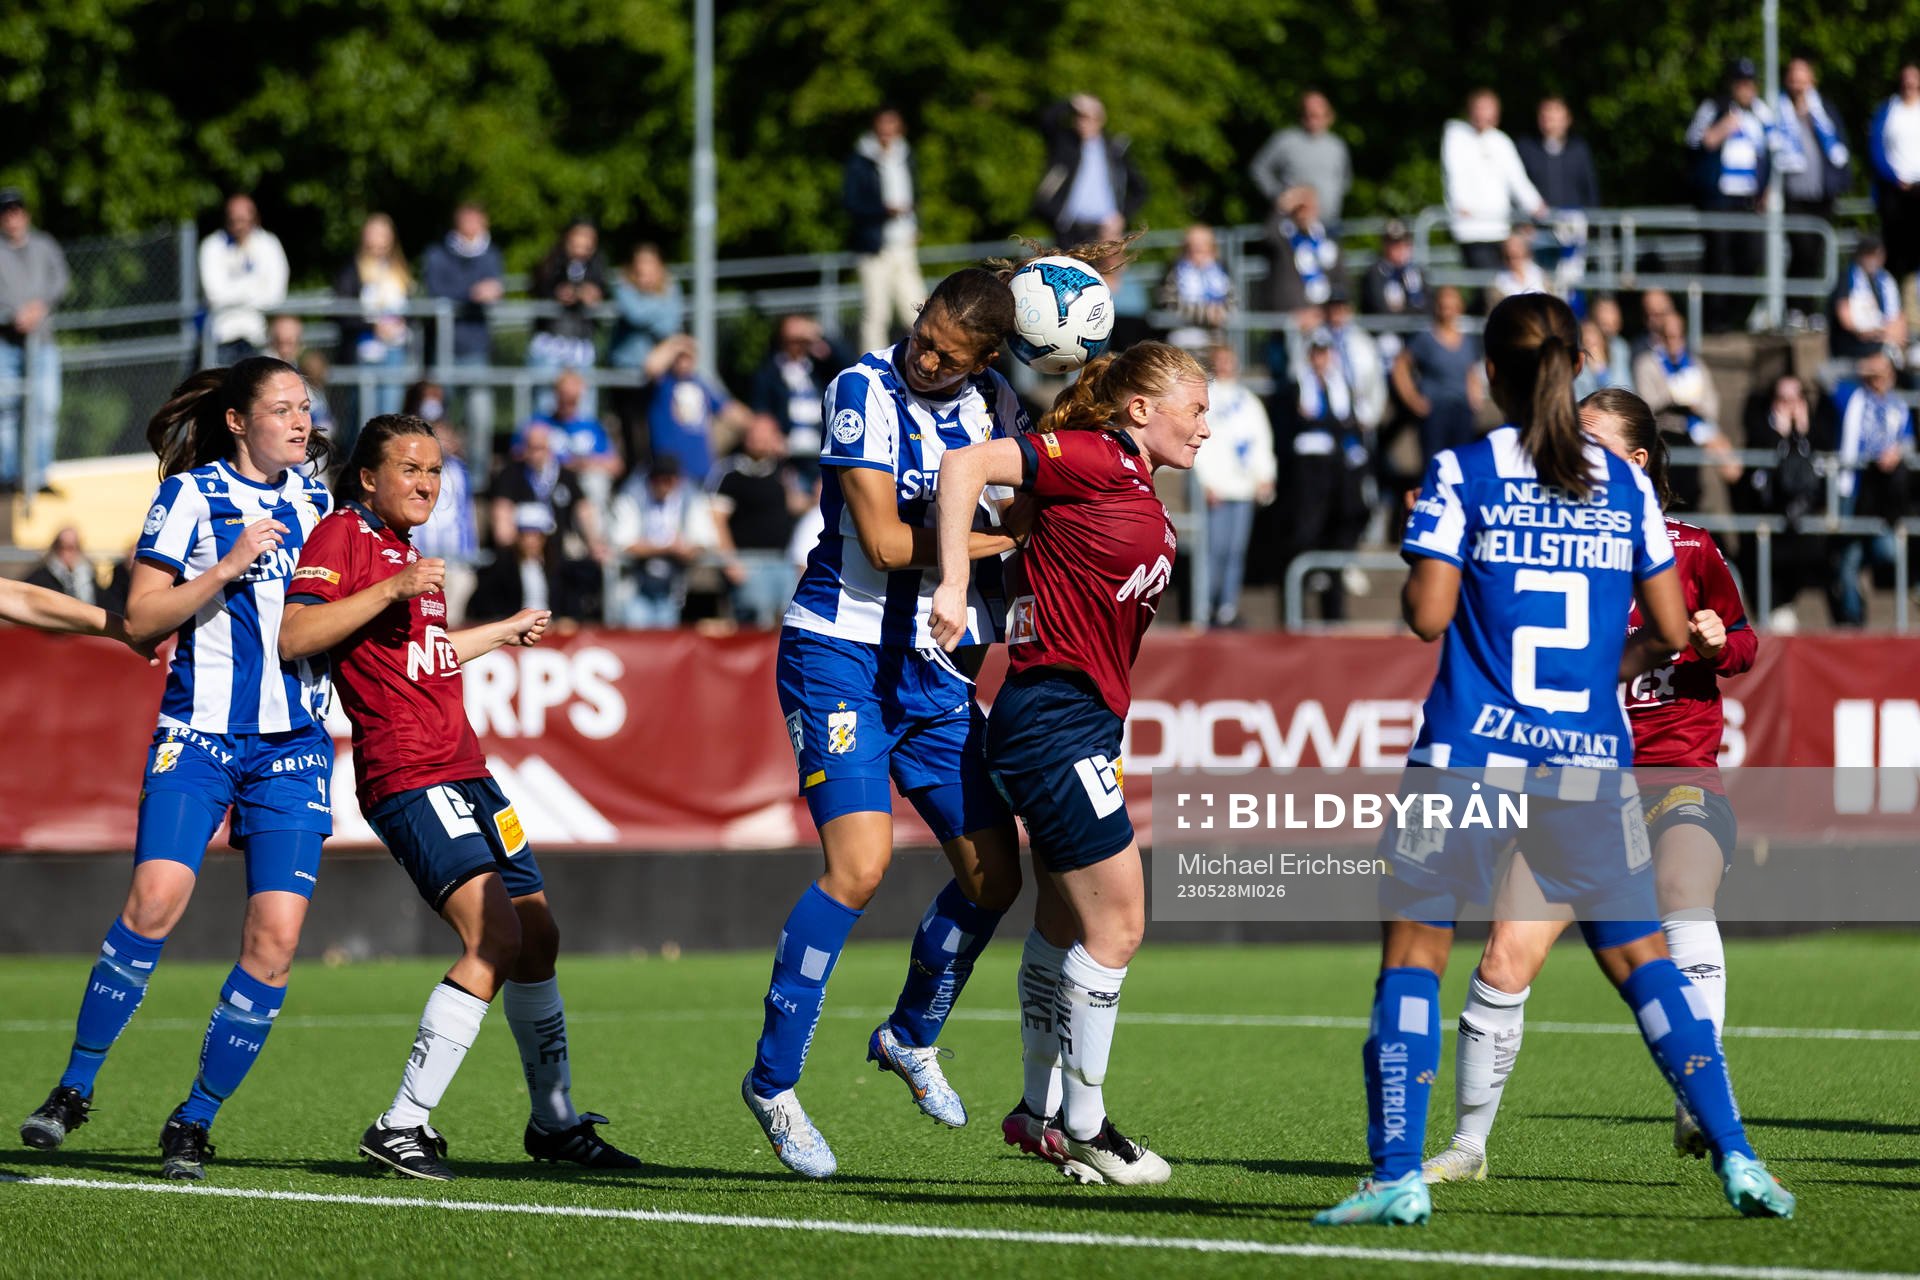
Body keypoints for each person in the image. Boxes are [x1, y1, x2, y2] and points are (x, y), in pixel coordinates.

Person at [1311, 293, 1794, 1228]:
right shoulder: (1624, 491)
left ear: (1489, 374)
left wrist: (1431, 542)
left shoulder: (1463, 471)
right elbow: (1664, 634)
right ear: (1575, 370)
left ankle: (1396, 1174)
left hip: (1467, 750)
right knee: (1644, 961)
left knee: (1413, 955)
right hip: (1584, 756)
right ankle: (1738, 1156)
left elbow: (1427, 617)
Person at [279, 414, 638, 1180]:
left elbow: (426, 656)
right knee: (495, 938)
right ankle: (400, 1124)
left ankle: (555, 1122)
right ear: (367, 478)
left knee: (538, 937)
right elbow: (298, 635)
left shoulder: (405, 554)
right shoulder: (344, 535)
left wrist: (501, 632)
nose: (426, 483)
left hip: (466, 769)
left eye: (436, 471)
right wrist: (394, 588)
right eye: (409, 468)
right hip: (409, 772)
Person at [1423, 387, 1759, 1183]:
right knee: (1506, 955)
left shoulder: (1691, 548)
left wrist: (1716, 641)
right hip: (1575, 781)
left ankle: (1696, 1097)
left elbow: (1742, 644)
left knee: (1682, 890)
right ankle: (1468, 1146)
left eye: (1596, 444)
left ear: (1638, 463)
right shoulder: (1540, 539)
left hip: (1674, 772)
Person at [17, 358, 335, 1181]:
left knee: (277, 941)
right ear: (237, 420)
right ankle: (74, 1088)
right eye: (283, 409)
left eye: (306, 408)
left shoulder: (319, 502)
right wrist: (226, 567)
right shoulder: (190, 495)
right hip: (197, 734)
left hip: (293, 748)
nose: (301, 422)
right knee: (154, 901)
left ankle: (193, 1120)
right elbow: (141, 619)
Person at [743, 267, 1028, 1179]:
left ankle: (910, 1034)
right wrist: (1008, 542)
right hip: (838, 654)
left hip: (935, 665)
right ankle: (774, 1084)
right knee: (859, 867)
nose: (924, 350)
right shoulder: (861, 388)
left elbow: (1029, 497)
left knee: (993, 876)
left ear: (985, 358)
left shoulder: (993, 404)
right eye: (922, 329)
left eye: (947, 349)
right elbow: (884, 543)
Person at [930, 340, 1209, 1187]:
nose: (1205, 425)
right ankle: (1086, 1125)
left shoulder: (1133, 481)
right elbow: (964, 465)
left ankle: (1038, 1111)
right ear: (1139, 411)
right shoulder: (1093, 457)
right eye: (1193, 408)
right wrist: (950, 582)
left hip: (1065, 717)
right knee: (1119, 924)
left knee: (1062, 921)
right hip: (1053, 714)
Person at [1687, 60, 1776, 331]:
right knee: (1718, 259)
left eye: (1750, 83)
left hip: (1748, 199)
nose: (1746, 88)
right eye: (1741, 83)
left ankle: (1736, 314)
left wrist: (1766, 188)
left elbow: (1771, 153)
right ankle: (1715, 321)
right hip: (1719, 198)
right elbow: (1695, 141)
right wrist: (1723, 127)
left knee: (1751, 257)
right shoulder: (1713, 107)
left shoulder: (1761, 113)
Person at [1734, 374, 1827, 630]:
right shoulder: (1761, 432)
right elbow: (1764, 486)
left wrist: (1804, 436)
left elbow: (1819, 480)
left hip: (1803, 536)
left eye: (1796, 398)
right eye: (1783, 399)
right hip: (1770, 533)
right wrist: (1780, 438)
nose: (1790, 405)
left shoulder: (1815, 433)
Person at [1190, 344, 1275, 627]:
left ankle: (1226, 609)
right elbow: (1198, 443)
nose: (1227, 366)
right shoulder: (1206, 398)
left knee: (1235, 552)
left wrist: (1265, 475)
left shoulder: (1248, 400)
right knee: (1212, 551)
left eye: (1231, 360)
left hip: (1244, 488)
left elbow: (1261, 440)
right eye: (1222, 361)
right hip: (1217, 489)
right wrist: (1204, 482)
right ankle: (1203, 609)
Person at [1831, 351, 1914, 627]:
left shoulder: (1898, 406)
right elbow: (1823, 374)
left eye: (1884, 371)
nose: (1879, 377)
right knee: (1848, 556)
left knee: (1887, 549)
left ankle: (1866, 572)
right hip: (1851, 486)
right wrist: (1859, 366)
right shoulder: (1852, 396)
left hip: (1881, 492)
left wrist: (1898, 452)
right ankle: (1853, 617)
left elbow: (1908, 440)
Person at [709, 413, 812, 627]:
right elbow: (716, 519)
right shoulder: (732, 473)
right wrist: (729, 560)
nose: (758, 439)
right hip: (750, 563)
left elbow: (794, 505)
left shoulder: (782, 471)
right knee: (756, 622)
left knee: (788, 622)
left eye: (765, 434)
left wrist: (816, 497)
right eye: (754, 434)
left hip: (783, 561)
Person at [0, 186, 68, 491]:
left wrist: (39, 307)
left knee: (45, 408)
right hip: (6, 342)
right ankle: (9, 476)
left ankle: (39, 477)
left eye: (16, 210)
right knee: (6, 410)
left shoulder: (44, 245)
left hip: (41, 342)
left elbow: (61, 281)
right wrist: (13, 314)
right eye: (6, 212)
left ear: (25, 214)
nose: (12, 218)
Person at [422, 201, 506, 439]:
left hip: (476, 349)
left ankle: (477, 477)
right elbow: (436, 292)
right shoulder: (437, 254)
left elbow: (493, 289)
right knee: (435, 421)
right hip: (443, 349)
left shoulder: (492, 255)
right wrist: (471, 294)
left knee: (480, 419)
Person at [845, 108, 926, 355]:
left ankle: (926, 361)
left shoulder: (905, 154)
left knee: (917, 309)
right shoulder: (861, 160)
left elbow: (915, 194)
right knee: (876, 312)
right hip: (874, 247)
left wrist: (916, 224)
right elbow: (851, 203)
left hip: (903, 245)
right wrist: (883, 211)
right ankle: (871, 368)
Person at [1442, 90, 1549, 272]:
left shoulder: (1501, 141)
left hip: (1500, 228)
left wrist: (1535, 205)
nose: (1483, 113)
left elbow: (1517, 179)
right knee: (1486, 286)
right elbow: (1454, 175)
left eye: (1488, 108)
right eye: (1479, 107)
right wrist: (1460, 205)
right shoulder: (1456, 136)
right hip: (1471, 230)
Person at [607, 454, 712, 628]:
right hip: (636, 585)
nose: (664, 485)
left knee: (667, 633)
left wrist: (688, 550)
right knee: (637, 632)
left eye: (669, 480)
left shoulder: (691, 497)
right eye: (659, 479)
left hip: (672, 587)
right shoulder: (632, 496)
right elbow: (624, 544)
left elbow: (702, 541)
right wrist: (668, 548)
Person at [1776, 58, 1851, 294]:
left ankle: (1811, 308)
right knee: (1801, 249)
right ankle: (1796, 306)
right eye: (1794, 78)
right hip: (1794, 194)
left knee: (1817, 251)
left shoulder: (1823, 111)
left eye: (1803, 78)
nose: (1798, 84)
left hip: (1821, 193)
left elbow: (1839, 147)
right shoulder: (1779, 110)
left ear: (1812, 80)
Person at [1034, 95, 1147, 249]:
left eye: (1087, 117)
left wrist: (1122, 215)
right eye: (1079, 117)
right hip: (1069, 227)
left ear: (1100, 120)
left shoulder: (1114, 148)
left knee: (1102, 271)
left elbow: (1140, 188)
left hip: (1104, 229)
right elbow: (1046, 119)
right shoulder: (1067, 143)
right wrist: (1072, 102)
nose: (1082, 122)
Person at [608, 242, 685, 461]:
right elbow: (635, 315)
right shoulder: (623, 286)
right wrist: (660, 306)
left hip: (660, 372)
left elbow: (670, 325)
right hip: (626, 371)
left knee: (660, 428)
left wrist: (646, 307)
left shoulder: (671, 286)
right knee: (631, 432)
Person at [334, 213, 414, 419]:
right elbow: (343, 312)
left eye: (382, 233)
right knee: (362, 415)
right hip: (363, 349)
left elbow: (411, 308)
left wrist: (401, 323)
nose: (377, 238)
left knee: (389, 413)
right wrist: (373, 327)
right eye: (373, 232)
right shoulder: (351, 269)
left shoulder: (400, 269)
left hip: (395, 350)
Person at [1392, 286, 1483, 463]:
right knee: (1434, 464)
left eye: (1451, 306)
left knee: (1463, 463)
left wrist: (1475, 396)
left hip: (1461, 408)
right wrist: (1412, 399)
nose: (1447, 311)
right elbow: (1400, 367)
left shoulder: (1468, 341)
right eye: (1443, 306)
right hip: (1435, 409)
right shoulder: (1425, 339)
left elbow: (1471, 370)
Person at [749, 314, 845, 480]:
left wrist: (819, 337)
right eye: (792, 340)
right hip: (788, 455)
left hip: (823, 450)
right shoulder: (769, 374)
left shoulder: (820, 369)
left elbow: (849, 364)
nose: (798, 345)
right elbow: (761, 411)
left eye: (803, 340)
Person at [199, 194, 289, 364]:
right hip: (222, 337)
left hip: (259, 336)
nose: (238, 225)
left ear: (254, 218)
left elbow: (276, 294)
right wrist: (254, 288)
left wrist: (234, 290)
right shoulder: (212, 246)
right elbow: (215, 295)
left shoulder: (268, 244)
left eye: (243, 219)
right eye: (233, 219)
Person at [643, 335, 744, 483]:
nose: (683, 362)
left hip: (701, 468)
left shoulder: (702, 384)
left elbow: (732, 411)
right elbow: (651, 366)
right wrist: (675, 344)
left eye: (688, 356)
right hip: (669, 470)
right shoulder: (663, 383)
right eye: (679, 357)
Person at [1250, 90, 1352, 227]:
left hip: (1329, 223)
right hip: (1292, 225)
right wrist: (1278, 194)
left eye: (1317, 114)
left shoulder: (1337, 145)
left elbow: (1345, 179)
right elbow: (1258, 168)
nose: (1312, 118)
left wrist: (1332, 196)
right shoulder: (1285, 140)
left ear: (1328, 115)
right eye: (1308, 113)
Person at [528, 221, 610, 384]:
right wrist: (557, 294)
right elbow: (538, 288)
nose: (582, 242)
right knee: (546, 398)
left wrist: (592, 294)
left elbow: (604, 294)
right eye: (578, 236)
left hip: (581, 343)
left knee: (582, 400)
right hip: (551, 342)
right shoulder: (550, 264)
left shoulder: (597, 267)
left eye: (587, 237)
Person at [1868, 63, 1920, 288]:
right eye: (1905, 78)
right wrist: (1892, 176)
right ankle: (1892, 296)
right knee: (1895, 245)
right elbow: (1876, 146)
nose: (1909, 83)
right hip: (1894, 188)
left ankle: (1914, 298)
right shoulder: (1889, 108)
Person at [1515, 97, 1600, 213]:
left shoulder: (1579, 150)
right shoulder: (1527, 148)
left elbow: (1590, 190)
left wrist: (1592, 222)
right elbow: (1517, 186)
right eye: (1545, 116)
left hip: (1573, 224)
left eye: (1554, 118)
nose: (1549, 122)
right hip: (1537, 223)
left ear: (1567, 120)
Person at [1829, 234, 1907, 361]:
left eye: (1876, 254)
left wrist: (1886, 334)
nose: (1873, 259)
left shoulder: (1886, 281)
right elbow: (1848, 322)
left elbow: (1900, 324)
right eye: (1869, 254)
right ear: (1860, 255)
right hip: (1854, 352)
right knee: (1879, 366)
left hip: (1884, 347)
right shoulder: (1846, 279)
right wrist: (1881, 333)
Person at [1265, 187, 1342, 312]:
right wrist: (1284, 204)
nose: (1304, 215)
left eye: (1309, 208)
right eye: (1299, 209)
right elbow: (1270, 235)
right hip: (1294, 317)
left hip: (1326, 317)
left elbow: (1340, 282)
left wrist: (1326, 313)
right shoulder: (1285, 238)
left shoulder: (1326, 239)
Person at [1156, 224, 1235, 345]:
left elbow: (1233, 302)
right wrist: (1206, 315)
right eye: (1192, 248)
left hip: (1217, 340)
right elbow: (1168, 302)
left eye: (1203, 247)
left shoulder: (1222, 271)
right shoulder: (1174, 271)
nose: (1197, 252)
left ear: (1212, 248)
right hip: (1181, 338)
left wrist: (1220, 313)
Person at [1361, 220, 1429, 323]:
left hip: (1416, 328)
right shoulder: (1375, 273)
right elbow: (1379, 308)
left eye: (1403, 243)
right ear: (1385, 246)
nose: (1399, 249)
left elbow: (1428, 304)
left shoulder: (1416, 271)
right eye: (1393, 245)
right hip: (1386, 330)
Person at [27, 526, 98, 603]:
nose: (66, 552)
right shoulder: (42, 577)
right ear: (55, 547)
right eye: (62, 546)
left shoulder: (88, 575)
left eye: (71, 547)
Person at [1487, 229, 1549, 307]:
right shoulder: (1497, 283)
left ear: (1525, 251)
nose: (1512, 250)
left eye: (1517, 247)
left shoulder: (1541, 275)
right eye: (1508, 255)